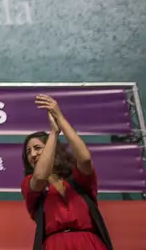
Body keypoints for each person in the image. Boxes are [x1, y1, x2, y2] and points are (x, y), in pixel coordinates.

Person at [21, 94, 113, 250]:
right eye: (28, 152)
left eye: (37, 148)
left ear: (53, 149)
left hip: (89, 243)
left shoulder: (77, 180)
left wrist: (59, 118)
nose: (33, 154)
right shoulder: (30, 185)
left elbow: (85, 159)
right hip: (55, 245)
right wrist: (53, 133)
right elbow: (40, 176)